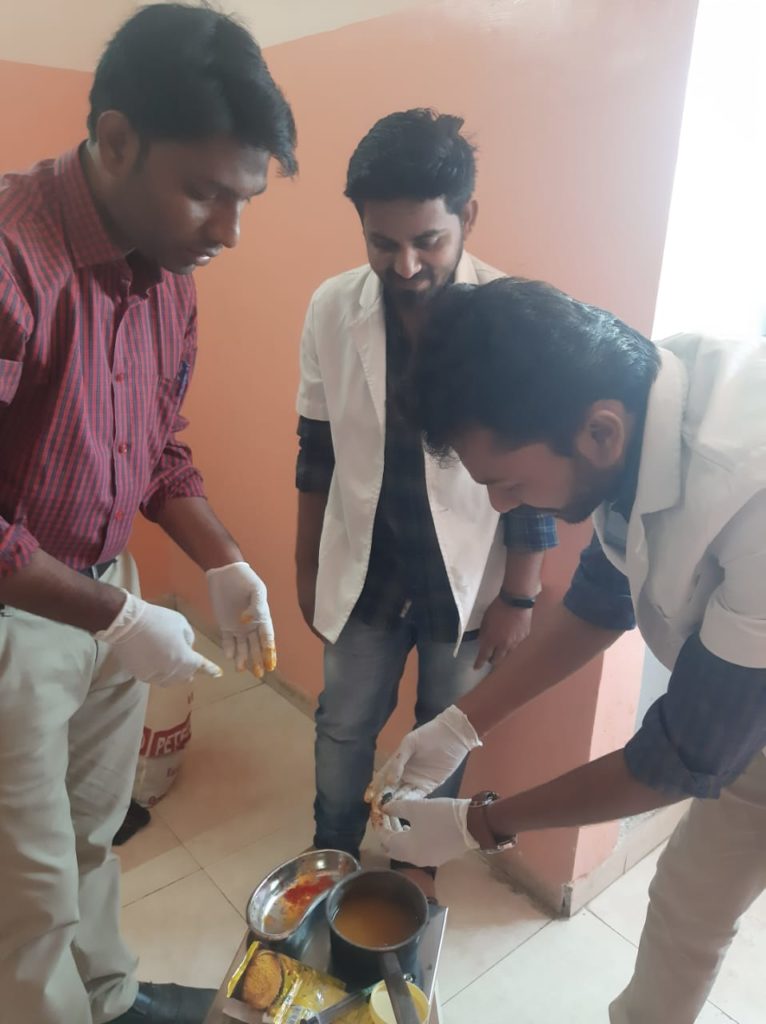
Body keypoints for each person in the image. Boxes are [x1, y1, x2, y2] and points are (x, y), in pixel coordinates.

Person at [0, 5, 296, 1023]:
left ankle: (110, 997)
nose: (228, 232)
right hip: (18, 619)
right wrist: (116, 616)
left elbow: (158, 445)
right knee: (25, 885)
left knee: (95, 830)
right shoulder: (13, 258)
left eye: (245, 200)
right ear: (116, 139)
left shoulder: (168, 274)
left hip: (104, 588)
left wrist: (222, 559)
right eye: (205, 192)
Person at [368, 276, 766, 1022]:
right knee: (689, 905)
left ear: (599, 435)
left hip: (735, 712)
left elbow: (678, 758)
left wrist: (479, 822)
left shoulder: (748, 483)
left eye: (509, 481)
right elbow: (600, 601)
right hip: (745, 710)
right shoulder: (633, 404)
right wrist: (459, 724)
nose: (501, 504)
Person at [295, 111, 557, 896]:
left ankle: (415, 864)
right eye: (383, 243)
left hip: (467, 583)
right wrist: (306, 566)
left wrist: (520, 594)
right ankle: (332, 851)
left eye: (427, 241)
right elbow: (316, 451)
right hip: (369, 571)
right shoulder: (331, 308)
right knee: (344, 722)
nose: (405, 265)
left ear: (467, 215)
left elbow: (533, 472)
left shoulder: (507, 316)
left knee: (442, 735)